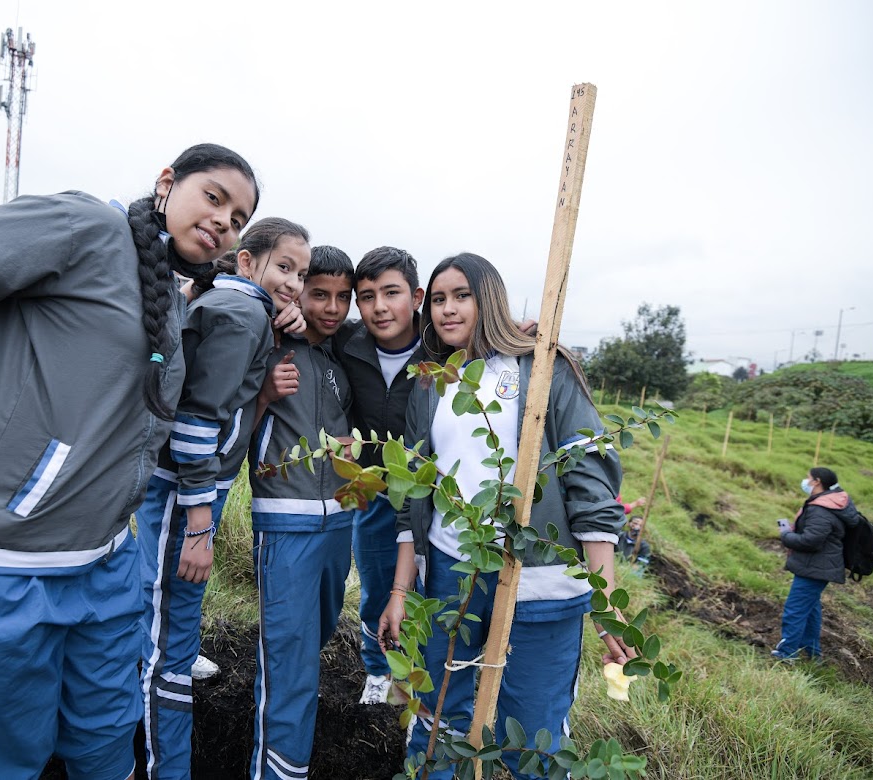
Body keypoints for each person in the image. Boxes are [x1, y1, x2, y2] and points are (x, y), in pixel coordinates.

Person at [0, 143, 259, 780]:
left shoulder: (172, 297)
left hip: (102, 564)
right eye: (214, 197)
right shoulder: (86, 227)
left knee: (104, 746)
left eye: (237, 220)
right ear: (167, 182)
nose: (223, 222)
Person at [378, 253, 632, 780]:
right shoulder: (429, 384)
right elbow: (411, 495)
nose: (448, 310)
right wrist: (401, 591)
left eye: (462, 296)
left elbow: (589, 483)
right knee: (438, 716)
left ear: (489, 298)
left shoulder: (543, 368)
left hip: (540, 580)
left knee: (534, 732)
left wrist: (607, 605)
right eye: (440, 299)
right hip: (452, 575)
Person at [138, 217, 311, 780]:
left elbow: (230, 407)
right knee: (166, 652)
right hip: (183, 498)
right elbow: (196, 422)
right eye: (283, 267)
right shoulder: (240, 316)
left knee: (168, 626)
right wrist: (199, 525)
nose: (292, 283)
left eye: (300, 274)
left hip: (181, 493)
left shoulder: (241, 311)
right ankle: (168, 770)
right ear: (245, 261)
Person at [248, 246, 356, 780]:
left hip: (340, 526)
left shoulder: (342, 360)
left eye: (342, 297)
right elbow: (225, 416)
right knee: (288, 664)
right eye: (319, 294)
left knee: (309, 653)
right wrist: (264, 396)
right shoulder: (269, 341)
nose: (332, 308)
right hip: (285, 525)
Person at [332, 246, 426, 704]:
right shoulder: (347, 344)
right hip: (375, 494)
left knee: (427, 588)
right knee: (375, 585)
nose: (380, 307)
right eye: (367, 296)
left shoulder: (444, 349)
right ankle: (377, 669)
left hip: (432, 498)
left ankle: (420, 678)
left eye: (392, 292)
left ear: (417, 296)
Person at [772, 466, 859, 662]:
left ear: (817, 481)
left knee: (795, 609)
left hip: (815, 567)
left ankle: (786, 654)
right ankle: (813, 654)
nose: (805, 481)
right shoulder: (832, 502)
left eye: (808, 478)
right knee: (810, 609)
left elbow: (811, 541)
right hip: (819, 566)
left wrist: (787, 536)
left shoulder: (821, 509)